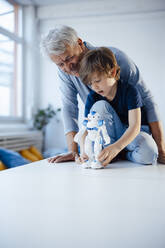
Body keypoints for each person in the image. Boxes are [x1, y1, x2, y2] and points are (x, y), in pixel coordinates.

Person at [40, 25, 165, 164]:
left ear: (79, 44)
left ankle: (124, 152)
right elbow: (69, 108)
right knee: (99, 109)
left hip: (132, 131)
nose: (68, 67)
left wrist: (160, 147)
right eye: (60, 64)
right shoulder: (66, 73)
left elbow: (147, 101)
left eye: (70, 58)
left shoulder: (116, 59)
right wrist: (74, 151)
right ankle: (112, 153)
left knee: (149, 152)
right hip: (105, 132)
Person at [77, 47, 158, 166]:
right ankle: (111, 152)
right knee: (99, 106)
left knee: (149, 154)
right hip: (109, 138)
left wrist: (117, 148)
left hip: (132, 134)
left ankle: (121, 154)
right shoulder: (92, 97)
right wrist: (83, 152)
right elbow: (86, 128)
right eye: (90, 83)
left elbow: (134, 126)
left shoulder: (130, 91)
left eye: (97, 81)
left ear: (113, 72)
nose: (94, 87)